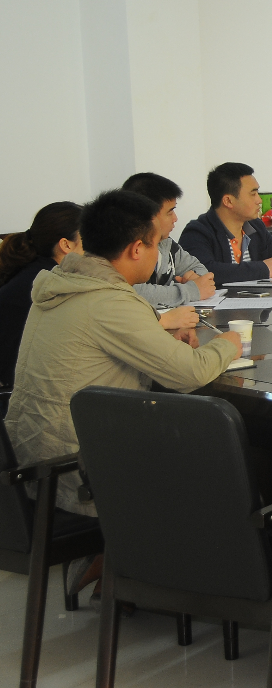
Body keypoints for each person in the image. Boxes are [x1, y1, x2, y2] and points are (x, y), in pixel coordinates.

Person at [4, 190, 242, 518]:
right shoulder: (110, 301)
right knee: (220, 466)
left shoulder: (63, 282)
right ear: (136, 249)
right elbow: (191, 373)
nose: (158, 255)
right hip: (77, 473)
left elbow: (94, 338)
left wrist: (160, 332)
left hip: (31, 464)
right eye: (156, 245)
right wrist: (229, 342)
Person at [0, 202, 83, 386]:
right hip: (23, 389)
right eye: (88, 238)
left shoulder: (33, 271)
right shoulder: (51, 284)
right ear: (66, 245)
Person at [122, 172, 215, 332]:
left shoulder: (166, 244)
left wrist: (195, 282)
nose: (175, 218)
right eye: (170, 212)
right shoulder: (125, 248)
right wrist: (190, 290)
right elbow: (132, 291)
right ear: (148, 215)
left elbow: (200, 271)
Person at [180, 162, 272, 282]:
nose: (259, 200)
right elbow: (206, 271)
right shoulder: (197, 232)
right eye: (253, 194)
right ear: (228, 201)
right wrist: (264, 269)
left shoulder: (255, 226)